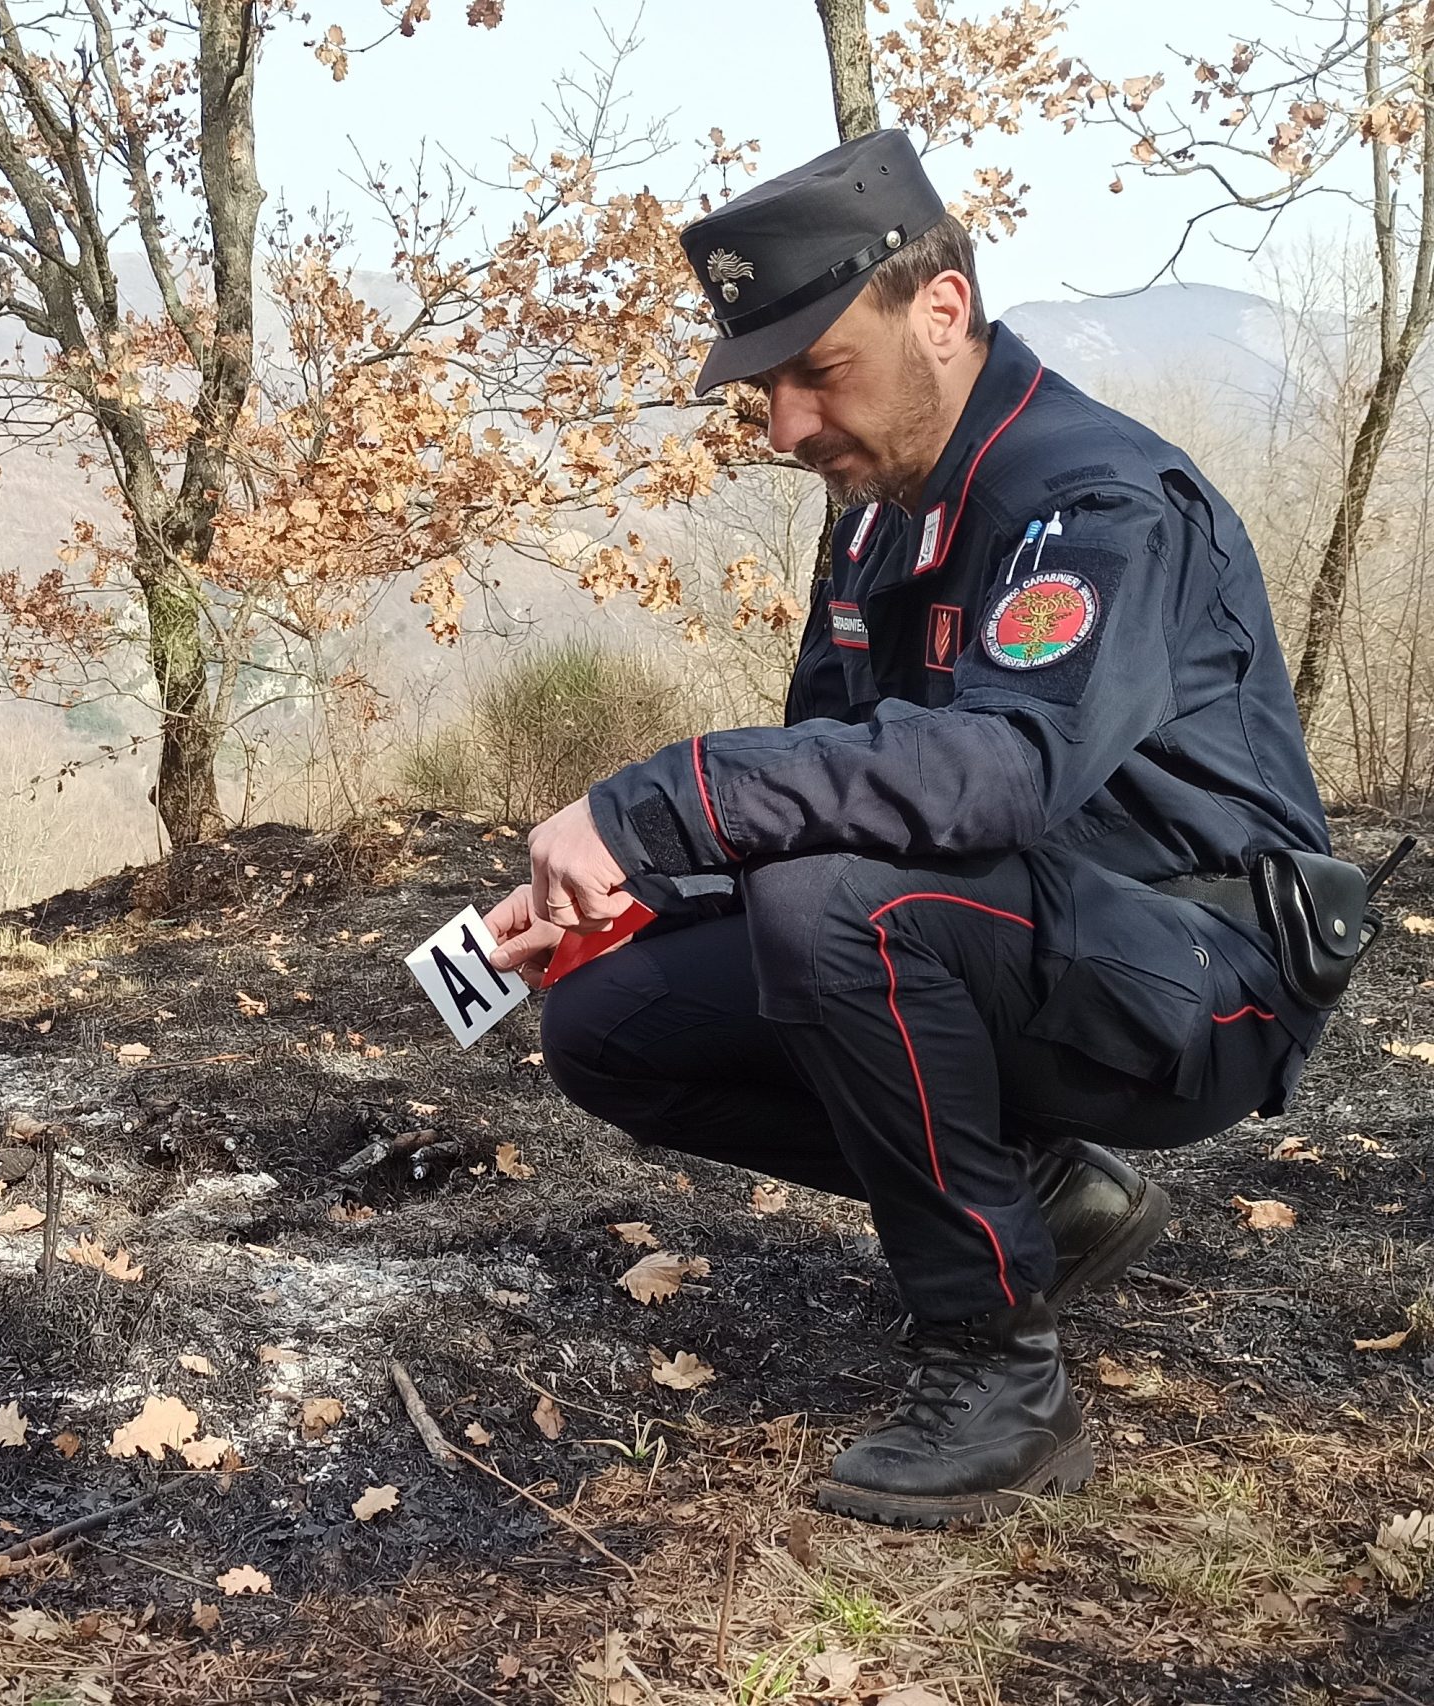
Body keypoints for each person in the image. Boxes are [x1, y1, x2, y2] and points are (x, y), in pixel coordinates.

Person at [483, 129, 1337, 1528]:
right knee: (608, 1018)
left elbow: (1002, 768)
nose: (787, 428)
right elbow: (833, 768)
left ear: (941, 310)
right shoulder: (879, 515)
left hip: (1201, 966)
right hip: (1023, 939)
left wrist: (657, 797)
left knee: (833, 909)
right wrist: (636, 890)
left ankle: (1000, 1380)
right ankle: (1048, 1206)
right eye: (768, 388)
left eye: (819, 373)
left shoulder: (1092, 498)